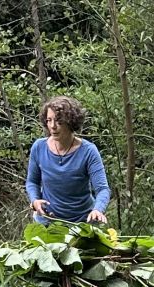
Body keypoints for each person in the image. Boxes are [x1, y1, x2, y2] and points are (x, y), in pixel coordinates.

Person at [26, 95, 111, 224]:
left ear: (70, 122)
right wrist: (35, 200)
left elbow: (103, 189)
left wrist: (98, 210)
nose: (53, 126)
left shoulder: (88, 151)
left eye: (59, 121)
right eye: (49, 120)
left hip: (82, 223)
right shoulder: (39, 147)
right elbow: (32, 181)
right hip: (48, 221)